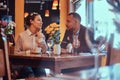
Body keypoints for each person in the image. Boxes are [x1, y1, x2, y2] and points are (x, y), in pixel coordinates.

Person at [14, 12, 47, 78]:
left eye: (41, 20)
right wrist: (30, 52)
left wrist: (41, 38)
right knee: (30, 74)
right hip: (23, 64)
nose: (41, 22)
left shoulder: (41, 36)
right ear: (31, 21)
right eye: (39, 20)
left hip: (37, 64)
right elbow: (16, 53)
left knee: (42, 74)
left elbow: (44, 52)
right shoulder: (22, 36)